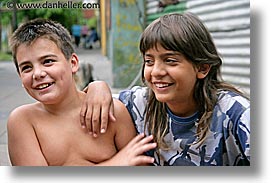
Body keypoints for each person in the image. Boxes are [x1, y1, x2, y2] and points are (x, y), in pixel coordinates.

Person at [81, 12, 250, 166]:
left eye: (170, 60)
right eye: (149, 61)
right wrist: (98, 86)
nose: (156, 72)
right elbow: (92, 103)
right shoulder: (139, 103)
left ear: (202, 68)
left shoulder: (236, 113)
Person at [7, 18, 156, 166]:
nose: (37, 73)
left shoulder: (112, 113)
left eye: (47, 61)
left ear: (73, 63)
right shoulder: (23, 121)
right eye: (26, 67)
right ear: (20, 76)